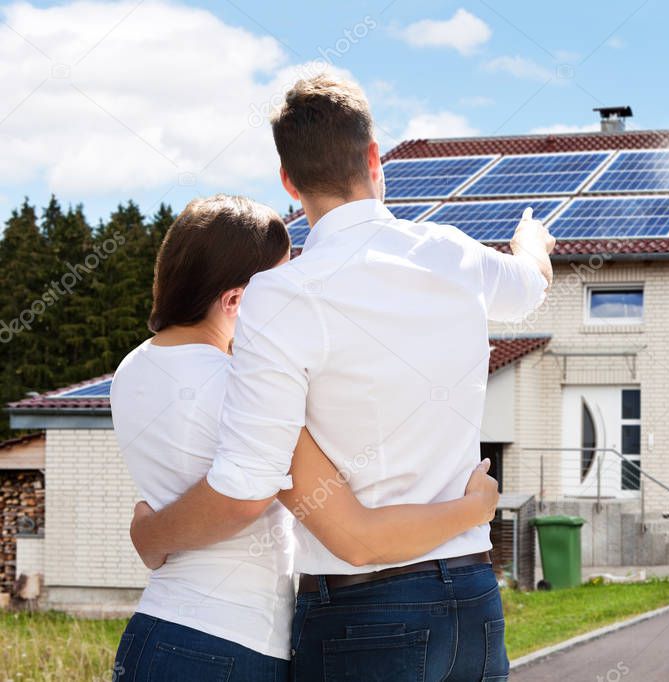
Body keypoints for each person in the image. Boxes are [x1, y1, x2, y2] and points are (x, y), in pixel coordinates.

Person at [130, 75, 555, 681]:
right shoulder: (452, 253)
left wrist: (152, 535)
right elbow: (530, 285)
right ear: (374, 158)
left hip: (364, 612)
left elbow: (249, 485)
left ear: (289, 182)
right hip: (471, 600)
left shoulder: (281, 296)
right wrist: (530, 241)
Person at [111, 194, 502, 681]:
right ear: (236, 300)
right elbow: (355, 536)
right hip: (232, 647)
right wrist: (475, 509)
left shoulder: (131, 370)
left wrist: (150, 536)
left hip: (155, 634)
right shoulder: (241, 387)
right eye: (280, 286)